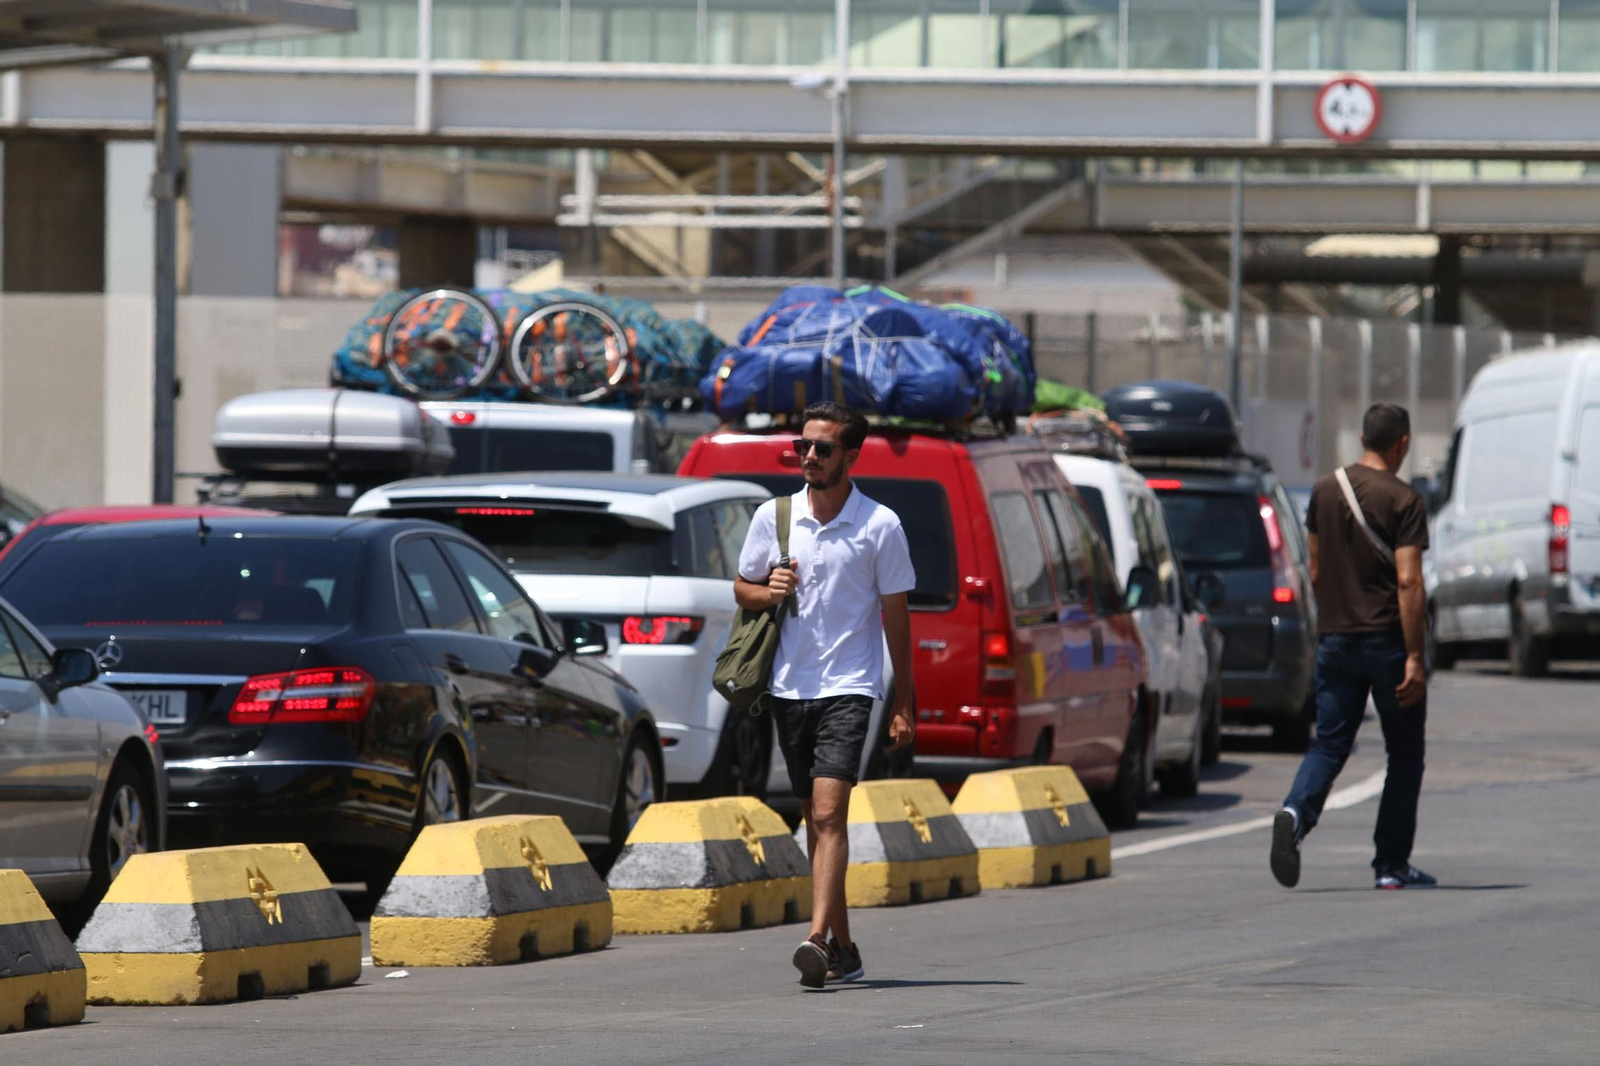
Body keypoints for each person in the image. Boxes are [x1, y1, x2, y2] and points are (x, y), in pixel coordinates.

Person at [734, 402, 916, 988]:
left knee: (830, 811)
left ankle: (814, 939)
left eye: (822, 448)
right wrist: (769, 592)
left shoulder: (879, 525)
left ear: (851, 455)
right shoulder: (775, 517)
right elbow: (742, 588)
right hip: (788, 687)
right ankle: (845, 946)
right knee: (815, 820)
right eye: (803, 446)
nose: (809, 456)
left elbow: (896, 619)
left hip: (851, 687)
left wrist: (903, 699)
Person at [1272, 403, 1433, 891]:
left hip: (1336, 640)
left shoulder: (1323, 490)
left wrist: (1335, 622)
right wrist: (1414, 655)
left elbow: (1316, 571)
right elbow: (1408, 582)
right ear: (1401, 443)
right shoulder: (1404, 500)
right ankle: (1390, 864)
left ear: (1363, 437)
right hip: (1387, 641)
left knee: (1331, 742)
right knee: (1404, 754)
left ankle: (1295, 814)